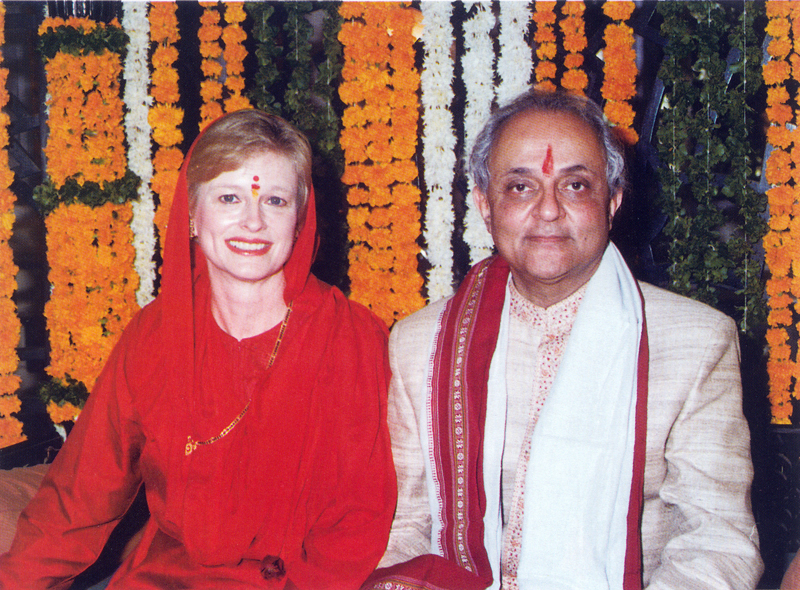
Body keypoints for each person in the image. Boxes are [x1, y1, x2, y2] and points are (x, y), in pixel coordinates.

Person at [365, 89, 763, 590]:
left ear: (612, 201)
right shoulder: (421, 344)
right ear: (486, 205)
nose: (548, 211)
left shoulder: (695, 343)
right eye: (520, 187)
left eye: (575, 186)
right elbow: (403, 527)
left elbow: (718, 543)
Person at [0, 110, 396, 589]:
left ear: (300, 219)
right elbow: (78, 498)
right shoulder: (153, 336)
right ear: (192, 212)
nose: (253, 221)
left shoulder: (351, 339)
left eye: (275, 200)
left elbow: (358, 520)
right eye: (229, 197)